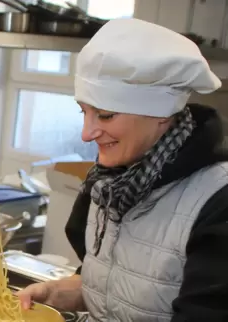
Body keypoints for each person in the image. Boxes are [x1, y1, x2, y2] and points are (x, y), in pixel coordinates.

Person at [18, 18, 228, 321]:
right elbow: (113, 288)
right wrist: (59, 294)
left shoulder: (217, 202)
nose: (86, 133)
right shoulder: (109, 182)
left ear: (160, 114)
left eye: (105, 115)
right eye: (84, 111)